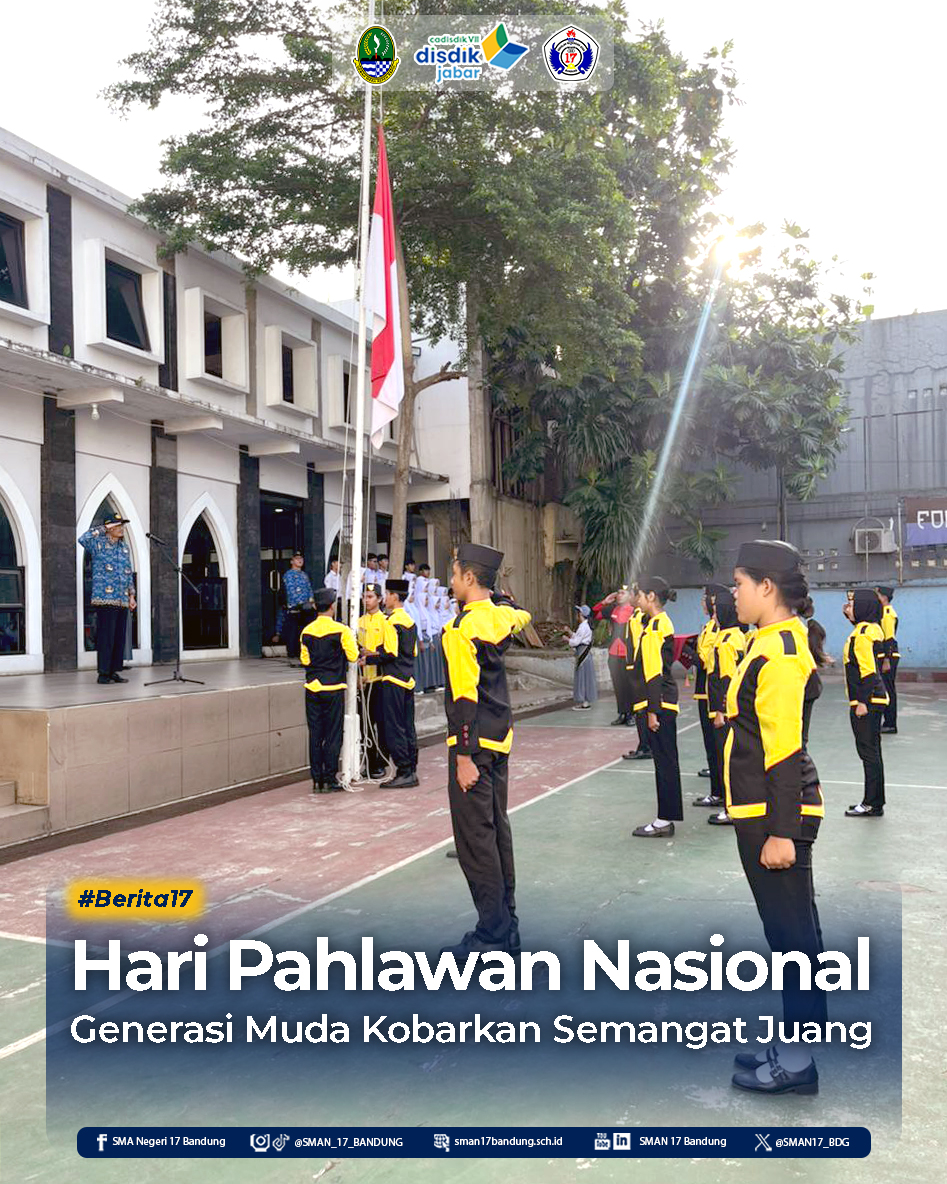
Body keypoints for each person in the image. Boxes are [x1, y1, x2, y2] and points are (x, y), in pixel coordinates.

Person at [726, 540, 826, 1096]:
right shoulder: (767, 641)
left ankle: (799, 1062)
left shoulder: (781, 652)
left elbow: (784, 749)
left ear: (766, 587)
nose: (734, 593)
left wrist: (782, 833)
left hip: (777, 814)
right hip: (763, 809)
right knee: (792, 937)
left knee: (794, 943)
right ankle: (794, 1046)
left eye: (740, 583)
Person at [441, 543, 531, 955]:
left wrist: (463, 756)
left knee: (476, 843)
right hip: (500, 740)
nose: (451, 581)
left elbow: (464, 696)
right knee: (497, 833)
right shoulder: (502, 619)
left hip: (473, 745)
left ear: (469, 577)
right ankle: (507, 925)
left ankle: (492, 934)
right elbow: (520, 613)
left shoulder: (459, 630)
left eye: (455, 573)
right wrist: (502, 601)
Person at [632, 577, 683, 838]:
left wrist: (653, 711)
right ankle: (665, 818)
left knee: (665, 763)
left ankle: (664, 820)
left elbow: (654, 671)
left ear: (651, 596)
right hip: (660, 701)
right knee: (665, 762)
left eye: (640, 595)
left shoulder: (656, 626)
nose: (637, 600)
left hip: (660, 703)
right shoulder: (655, 623)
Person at [299, 588, 358, 793]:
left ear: (316, 606)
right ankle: (330, 778)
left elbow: (305, 660)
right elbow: (353, 656)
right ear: (332, 606)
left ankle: (317, 779)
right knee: (333, 734)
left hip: (312, 688)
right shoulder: (342, 630)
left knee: (315, 734)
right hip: (333, 688)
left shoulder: (306, 631)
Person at [362, 579, 419, 788]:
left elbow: (390, 653)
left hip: (393, 679)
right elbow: (411, 652)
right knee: (408, 726)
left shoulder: (391, 621)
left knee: (394, 727)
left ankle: (404, 771)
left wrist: (368, 659)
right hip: (408, 679)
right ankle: (411, 768)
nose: (385, 598)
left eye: (386, 594)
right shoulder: (410, 621)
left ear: (394, 596)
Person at [843, 588, 888, 818]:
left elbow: (868, 673)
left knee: (868, 754)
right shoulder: (872, 628)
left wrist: (861, 703)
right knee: (873, 753)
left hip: (866, 701)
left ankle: (871, 803)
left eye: (852, 605)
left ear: (863, 607)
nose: (848, 608)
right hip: (876, 699)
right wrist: (851, 615)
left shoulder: (861, 635)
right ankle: (875, 801)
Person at [705, 588, 747, 826]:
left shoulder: (725, 641)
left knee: (726, 762)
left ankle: (731, 809)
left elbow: (727, 679)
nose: (714, 615)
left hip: (724, 711)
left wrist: (721, 711)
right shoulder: (736, 635)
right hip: (732, 708)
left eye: (716, 610)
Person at [79, 515, 137, 685]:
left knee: (119, 638)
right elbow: (82, 539)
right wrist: (103, 528)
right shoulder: (98, 544)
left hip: (122, 598)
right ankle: (103, 673)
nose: (121, 528)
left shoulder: (124, 547)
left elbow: (128, 572)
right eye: (118, 525)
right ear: (109, 527)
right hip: (105, 598)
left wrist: (131, 595)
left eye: (122, 525)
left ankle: (113, 671)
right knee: (106, 637)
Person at [693, 584, 727, 802]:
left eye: (705, 599)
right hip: (703, 691)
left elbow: (706, 661)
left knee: (715, 745)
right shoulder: (709, 627)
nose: (702, 603)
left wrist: (686, 653)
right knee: (711, 744)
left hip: (710, 694)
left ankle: (718, 792)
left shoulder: (717, 630)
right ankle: (716, 784)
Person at [357, 583, 389, 780]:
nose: (366, 600)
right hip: (363, 681)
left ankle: (382, 761)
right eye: (365, 596)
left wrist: (373, 654)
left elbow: (387, 652)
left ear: (379, 599)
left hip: (380, 680)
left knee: (381, 724)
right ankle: (369, 761)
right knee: (365, 725)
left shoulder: (385, 622)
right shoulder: (358, 622)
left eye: (370, 596)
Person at [593, 588, 634, 725]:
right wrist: (604, 602)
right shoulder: (612, 610)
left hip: (628, 654)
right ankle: (622, 712)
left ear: (630, 596)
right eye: (618, 592)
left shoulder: (635, 611)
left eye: (623, 593)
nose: (619, 595)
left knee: (629, 685)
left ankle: (632, 714)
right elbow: (594, 615)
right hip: (614, 653)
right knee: (618, 685)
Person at [622, 586, 653, 761]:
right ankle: (644, 744)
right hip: (634, 666)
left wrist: (635, 666)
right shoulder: (634, 615)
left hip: (640, 667)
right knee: (638, 708)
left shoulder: (641, 616)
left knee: (641, 708)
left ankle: (646, 746)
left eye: (632, 594)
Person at [281, 551, 315, 665]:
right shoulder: (289, 575)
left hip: (306, 608)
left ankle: (302, 652)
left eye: (301, 558)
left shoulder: (304, 575)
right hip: (295, 607)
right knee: (293, 632)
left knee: (303, 631)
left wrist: (311, 601)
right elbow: (291, 592)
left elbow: (309, 589)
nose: (300, 560)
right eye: (297, 558)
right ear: (292, 561)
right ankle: (292, 653)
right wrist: (300, 603)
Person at [875, 585, 899, 734]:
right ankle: (888, 722)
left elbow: (889, 639)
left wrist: (886, 660)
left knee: (888, 690)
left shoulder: (887, 613)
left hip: (888, 656)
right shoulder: (883, 612)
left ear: (884, 598)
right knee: (886, 689)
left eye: (877, 595)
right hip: (885, 656)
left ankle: (890, 724)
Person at [566, 605, 597, 710]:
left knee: (582, 677)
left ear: (581, 615)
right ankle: (585, 701)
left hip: (582, 653)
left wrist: (567, 639)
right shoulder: (585, 626)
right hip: (585, 653)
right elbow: (578, 637)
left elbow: (576, 642)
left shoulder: (583, 627)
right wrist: (570, 632)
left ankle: (583, 701)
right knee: (586, 677)